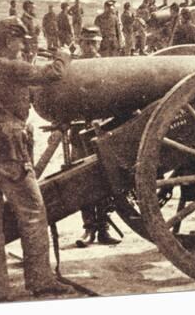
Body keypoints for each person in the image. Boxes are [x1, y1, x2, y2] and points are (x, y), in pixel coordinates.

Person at [0, 17, 75, 301]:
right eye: (21, 41)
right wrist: (64, 56)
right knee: (33, 213)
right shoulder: (10, 67)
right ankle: (41, 281)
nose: (24, 46)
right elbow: (53, 74)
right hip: (7, 155)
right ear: (9, 42)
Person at [73, 27, 122, 247]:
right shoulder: (74, 68)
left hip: (102, 131)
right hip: (79, 134)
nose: (90, 47)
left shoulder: (107, 67)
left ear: (100, 43)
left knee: (106, 181)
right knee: (83, 183)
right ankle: (89, 229)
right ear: (80, 43)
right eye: (86, 43)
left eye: (93, 42)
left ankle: (103, 228)